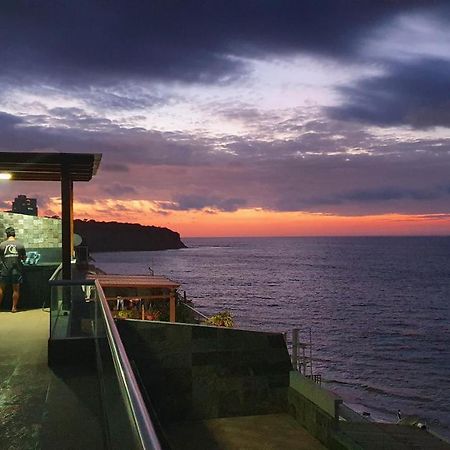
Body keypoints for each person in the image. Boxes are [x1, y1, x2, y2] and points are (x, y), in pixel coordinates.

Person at [0, 227, 26, 312]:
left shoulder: (2, 245)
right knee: (16, 289)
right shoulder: (20, 245)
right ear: (14, 234)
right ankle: (14, 307)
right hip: (16, 270)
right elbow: (24, 258)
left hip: (5, 269)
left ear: (6, 235)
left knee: (1, 288)